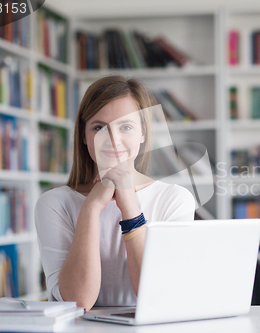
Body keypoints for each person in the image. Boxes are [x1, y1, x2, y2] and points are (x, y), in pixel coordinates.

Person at [35, 75, 195, 311]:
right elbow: (77, 302)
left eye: (126, 127)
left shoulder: (174, 200)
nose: (112, 140)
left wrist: (130, 208)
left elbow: (157, 296)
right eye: (99, 127)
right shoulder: (54, 204)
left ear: (142, 134)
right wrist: (90, 209)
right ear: (83, 135)